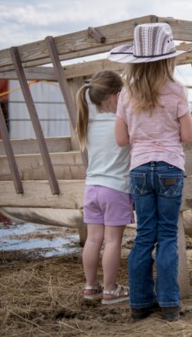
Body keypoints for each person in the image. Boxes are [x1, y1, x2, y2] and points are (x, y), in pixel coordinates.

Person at [109, 23, 192, 322]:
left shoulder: (126, 94)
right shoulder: (177, 91)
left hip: (140, 169)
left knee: (144, 236)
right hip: (171, 166)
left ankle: (140, 304)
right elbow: (188, 135)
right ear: (169, 59)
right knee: (168, 235)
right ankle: (169, 305)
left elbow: (121, 139)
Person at [75, 70, 132, 305]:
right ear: (117, 95)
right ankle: (110, 290)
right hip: (115, 189)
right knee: (112, 241)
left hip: (91, 188)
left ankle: (90, 286)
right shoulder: (122, 122)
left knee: (93, 240)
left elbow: (93, 94)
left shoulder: (88, 121)